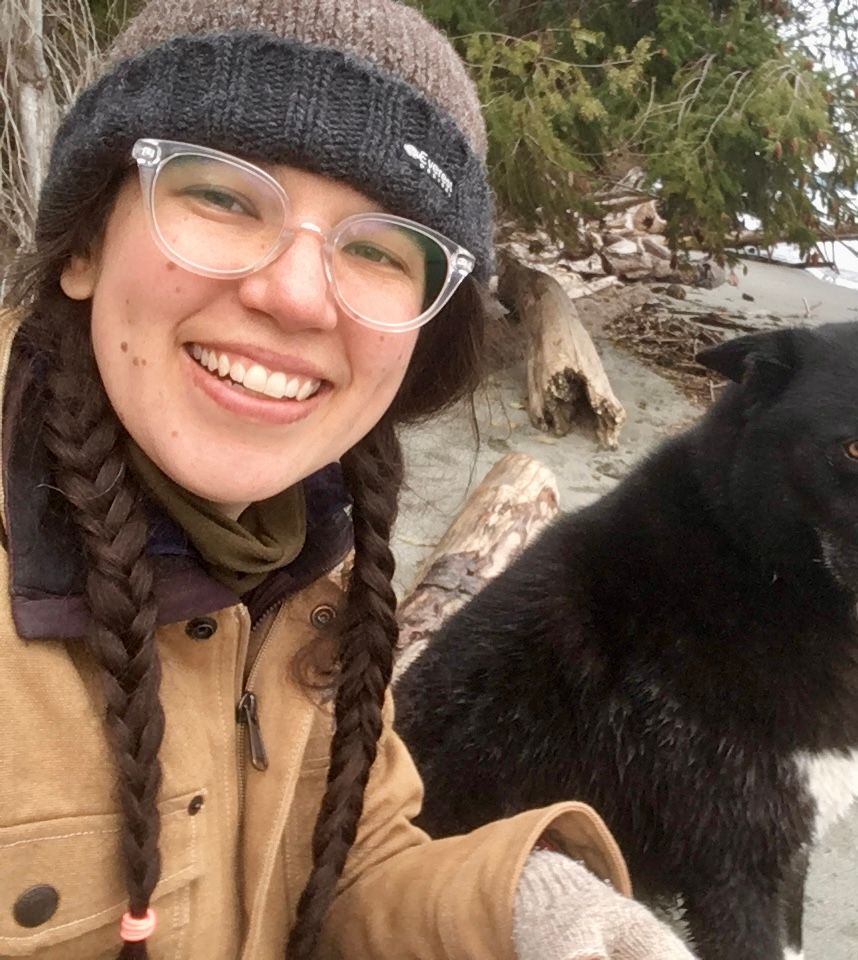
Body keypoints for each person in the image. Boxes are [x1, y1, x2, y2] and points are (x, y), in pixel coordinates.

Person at [0, 1, 696, 958]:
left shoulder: (312, 547)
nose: (293, 293)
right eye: (226, 197)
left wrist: (526, 914)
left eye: (374, 248)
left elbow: (345, 855)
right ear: (83, 243)